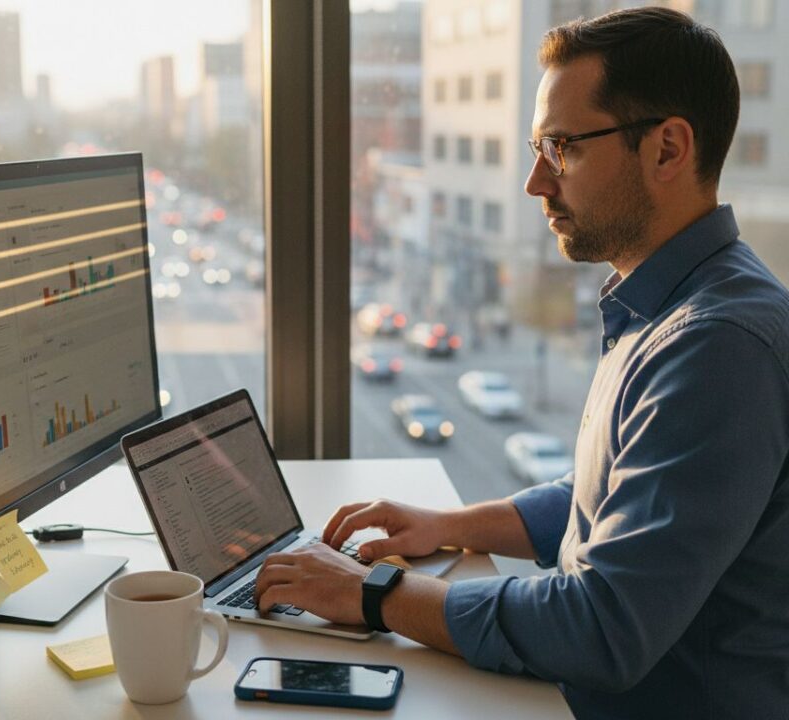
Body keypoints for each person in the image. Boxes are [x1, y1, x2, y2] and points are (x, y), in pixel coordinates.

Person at [255, 7, 789, 718]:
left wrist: (370, 595)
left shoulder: (718, 345)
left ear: (667, 150)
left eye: (562, 147)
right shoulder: (669, 306)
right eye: (538, 147)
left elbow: (601, 627)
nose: (537, 182)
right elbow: (614, 495)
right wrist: (449, 525)